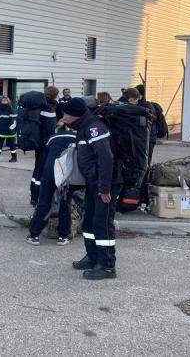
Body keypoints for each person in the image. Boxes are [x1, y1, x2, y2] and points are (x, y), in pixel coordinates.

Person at [62, 98, 122, 280]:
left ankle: (107, 266)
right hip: (93, 182)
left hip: (106, 184)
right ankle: (93, 257)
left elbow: (106, 158)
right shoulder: (83, 127)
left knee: (102, 222)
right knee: (88, 222)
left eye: (65, 114)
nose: (63, 116)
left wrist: (104, 189)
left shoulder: (94, 128)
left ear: (74, 115)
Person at [26, 127, 77, 246]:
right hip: (66, 175)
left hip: (50, 173)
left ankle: (34, 235)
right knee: (65, 204)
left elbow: (43, 159)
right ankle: (63, 236)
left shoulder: (52, 138)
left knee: (44, 203)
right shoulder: (78, 138)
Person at [127, 86, 158, 206]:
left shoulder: (146, 107)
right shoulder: (141, 106)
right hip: (143, 140)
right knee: (141, 166)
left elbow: (149, 121)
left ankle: (143, 197)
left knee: (144, 167)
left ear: (139, 96)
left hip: (147, 141)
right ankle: (140, 197)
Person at [29, 87, 58, 205]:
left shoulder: (36, 106)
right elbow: (51, 128)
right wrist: (59, 124)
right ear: (55, 95)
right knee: (43, 171)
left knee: (37, 169)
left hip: (36, 141)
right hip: (46, 142)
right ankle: (39, 198)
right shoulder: (48, 108)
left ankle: (33, 197)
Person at [0, 96, 17, 162]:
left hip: (9, 132)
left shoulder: (11, 109)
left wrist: (11, 130)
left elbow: (13, 122)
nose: (4, 101)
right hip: (1, 131)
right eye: (3, 100)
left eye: (5, 100)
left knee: (12, 146)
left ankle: (14, 158)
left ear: (8, 101)